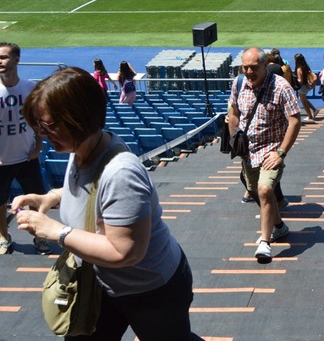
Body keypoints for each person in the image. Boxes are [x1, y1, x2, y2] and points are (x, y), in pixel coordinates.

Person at [12, 67, 195, 339]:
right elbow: (90, 192)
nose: (42, 133)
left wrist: (55, 231)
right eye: (37, 125)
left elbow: (124, 252)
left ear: (79, 119)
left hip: (150, 290)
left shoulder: (121, 173)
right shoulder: (83, 148)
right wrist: (50, 197)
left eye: (49, 125)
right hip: (102, 283)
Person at [227, 47, 302, 262]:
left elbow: (295, 120)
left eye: (253, 68)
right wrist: (235, 137)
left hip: (270, 151)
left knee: (265, 188)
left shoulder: (281, 86)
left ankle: (265, 243)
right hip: (248, 152)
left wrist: (281, 152)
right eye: (245, 67)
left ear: (264, 66)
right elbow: (233, 112)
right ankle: (278, 226)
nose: (248, 72)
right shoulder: (239, 83)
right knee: (256, 192)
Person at [0, 42, 50, 255]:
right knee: (0, 203)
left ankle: (39, 236)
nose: (0, 61)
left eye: (3, 57)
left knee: (36, 199)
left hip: (27, 157)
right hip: (1, 161)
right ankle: (3, 236)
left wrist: (38, 146)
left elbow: (38, 121)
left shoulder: (30, 88)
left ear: (17, 59)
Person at [294, 53, 318, 122]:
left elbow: (300, 80)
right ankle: (314, 110)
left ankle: (310, 116)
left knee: (303, 102)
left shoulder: (299, 69)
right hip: (306, 86)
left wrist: (296, 79)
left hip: (302, 87)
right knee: (303, 99)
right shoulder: (305, 66)